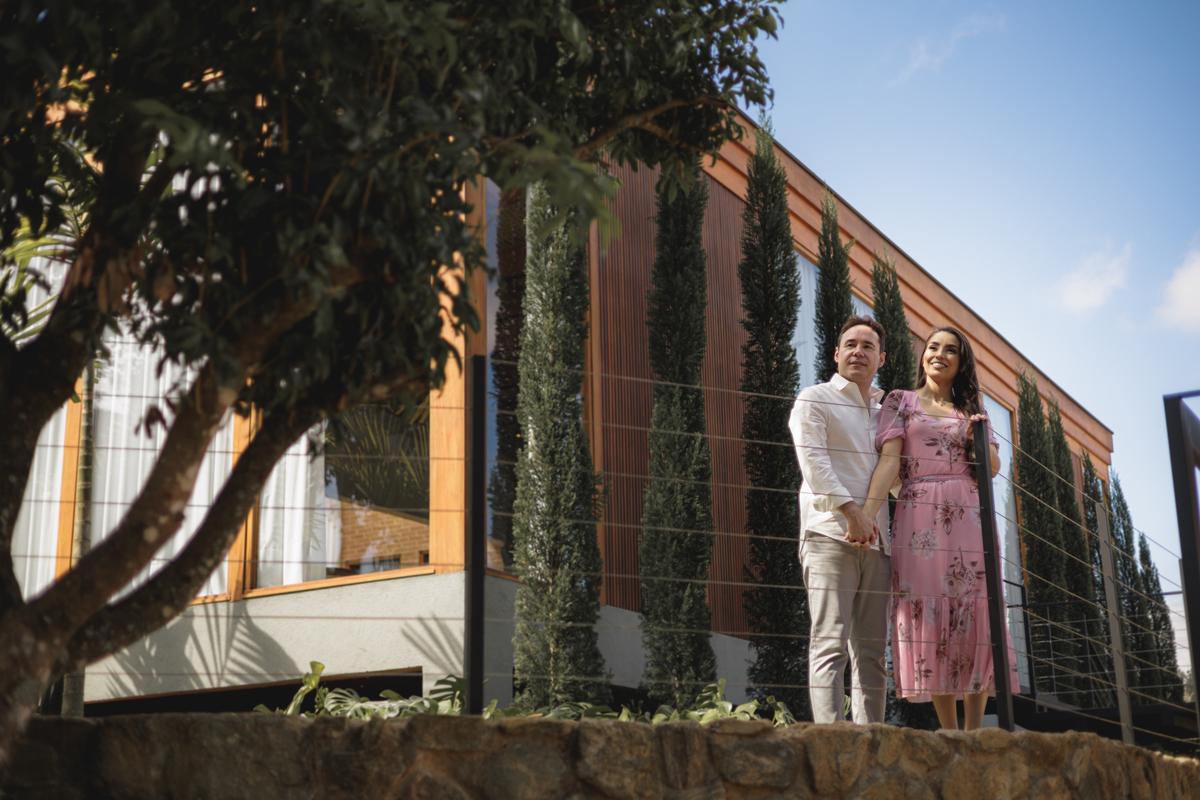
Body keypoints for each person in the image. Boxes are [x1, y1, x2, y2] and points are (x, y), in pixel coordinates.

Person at [863, 325, 1020, 731]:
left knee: (973, 613)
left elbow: (992, 470)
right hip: (918, 517)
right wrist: (867, 512)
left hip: (969, 516)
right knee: (929, 617)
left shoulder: (971, 412)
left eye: (951, 350)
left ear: (960, 362)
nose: (939, 354)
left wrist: (977, 435)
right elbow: (889, 461)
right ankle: (949, 732)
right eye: (933, 347)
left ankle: (974, 731)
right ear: (923, 355)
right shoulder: (901, 401)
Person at [789, 315, 891, 724]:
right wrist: (852, 513)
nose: (858, 352)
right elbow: (812, 459)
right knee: (829, 643)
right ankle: (830, 746)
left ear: (880, 358)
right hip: (829, 534)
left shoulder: (887, 414)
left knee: (872, 655)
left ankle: (873, 749)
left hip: (879, 546)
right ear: (836, 353)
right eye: (850, 344)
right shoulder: (814, 398)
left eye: (868, 346)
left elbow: (898, 477)